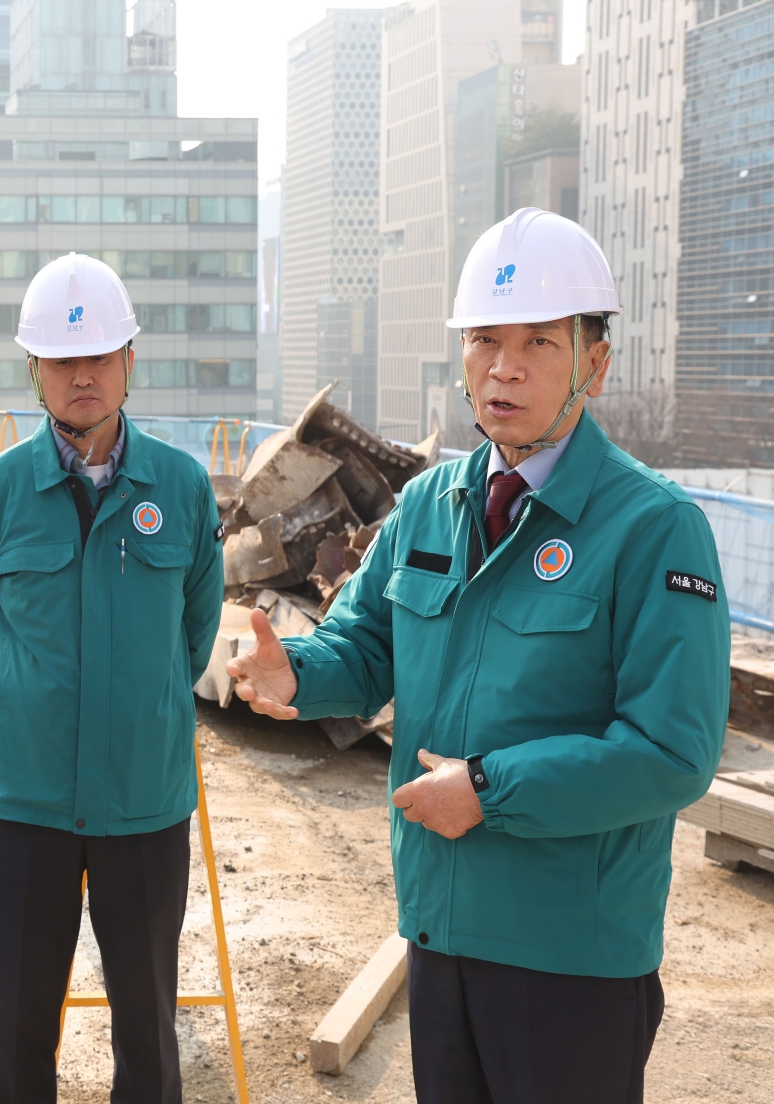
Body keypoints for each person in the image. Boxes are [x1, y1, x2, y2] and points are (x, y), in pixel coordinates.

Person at [229, 208, 730, 1104]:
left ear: (595, 362)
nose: (505, 367)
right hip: (438, 929)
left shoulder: (655, 529)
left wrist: (489, 793)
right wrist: (298, 674)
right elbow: (370, 646)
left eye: (540, 342)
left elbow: (673, 752)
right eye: (486, 340)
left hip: (571, 955)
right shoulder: (429, 505)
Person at [0, 253, 224, 1104]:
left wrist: (135, 712)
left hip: (144, 802)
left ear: (130, 361)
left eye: (101, 356)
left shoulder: (180, 487)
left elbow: (194, 633)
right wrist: (36, 714)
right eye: (63, 360)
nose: (82, 375)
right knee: (22, 1024)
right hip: (28, 804)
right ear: (33, 369)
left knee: (148, 1027)